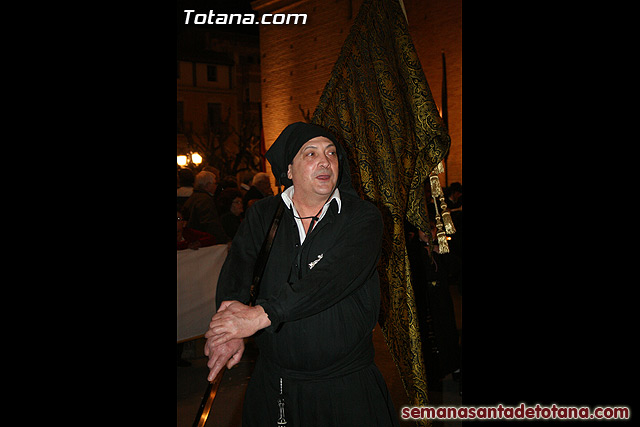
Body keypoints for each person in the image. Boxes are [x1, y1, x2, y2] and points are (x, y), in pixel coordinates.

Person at [203, 122, 399, 426]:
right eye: (311, 153)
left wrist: (259, 316)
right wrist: (229, 327)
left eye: (331, 153)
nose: (325, 161)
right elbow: (238, 271)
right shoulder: (263, 214)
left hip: (345, 388)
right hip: (276, 383)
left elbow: (331, 280)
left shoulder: (362, 217)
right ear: (289, 170)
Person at [181, 171, 231, 244]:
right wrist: (224, 240)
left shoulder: (194, 197)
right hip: (203, 240)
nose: (216, 186)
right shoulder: (204, 200)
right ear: (207, 185)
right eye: (214, 183)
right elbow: (210, 223)